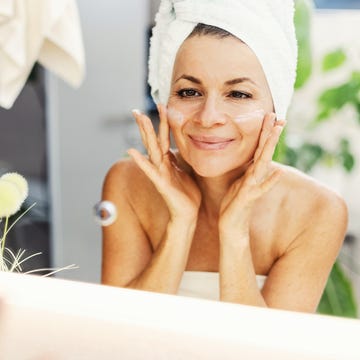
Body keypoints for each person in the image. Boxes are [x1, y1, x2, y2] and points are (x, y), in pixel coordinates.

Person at [101, 0, 347, 312]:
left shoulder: (316, 210)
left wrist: (234, 232)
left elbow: (264, 353)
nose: (208, 117)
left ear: (275, 109)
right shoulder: (128, 184)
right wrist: (180, 224)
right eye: (189, 92)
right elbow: (119, 333)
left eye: (238, 94)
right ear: (165, 100)